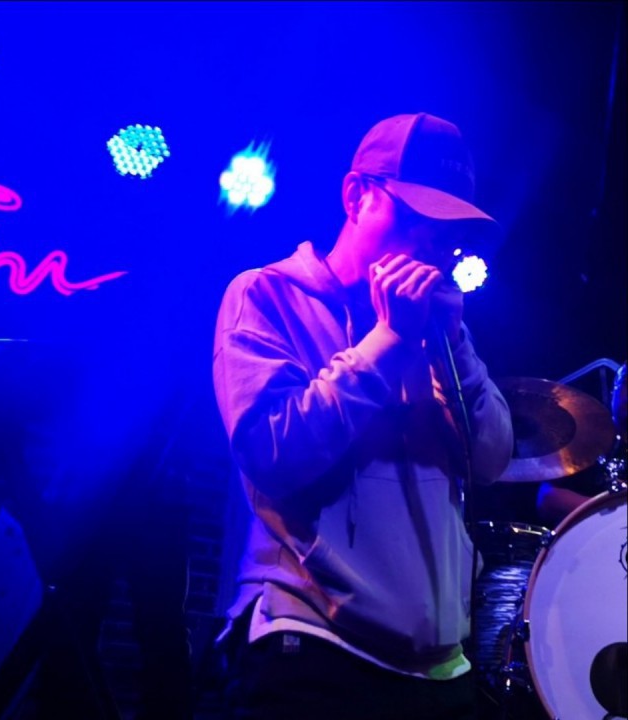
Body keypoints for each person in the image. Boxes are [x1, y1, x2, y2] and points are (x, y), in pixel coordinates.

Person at [212, 113, 514, 720]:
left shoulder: (438, 329)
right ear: (356, 196)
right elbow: (272, 452)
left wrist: (453, 347)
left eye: (449, 227)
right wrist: (386, 342)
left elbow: (491, 460)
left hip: (439, 670)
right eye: (417, 215)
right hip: (316, 651)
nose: (434, 242)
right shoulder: (268, 295)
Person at [535, 361, 627, 527]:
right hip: (586, 535)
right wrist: (607, 512)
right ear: (614, 392)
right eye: (625, 383)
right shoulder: (588, 436)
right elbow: (548, 498)